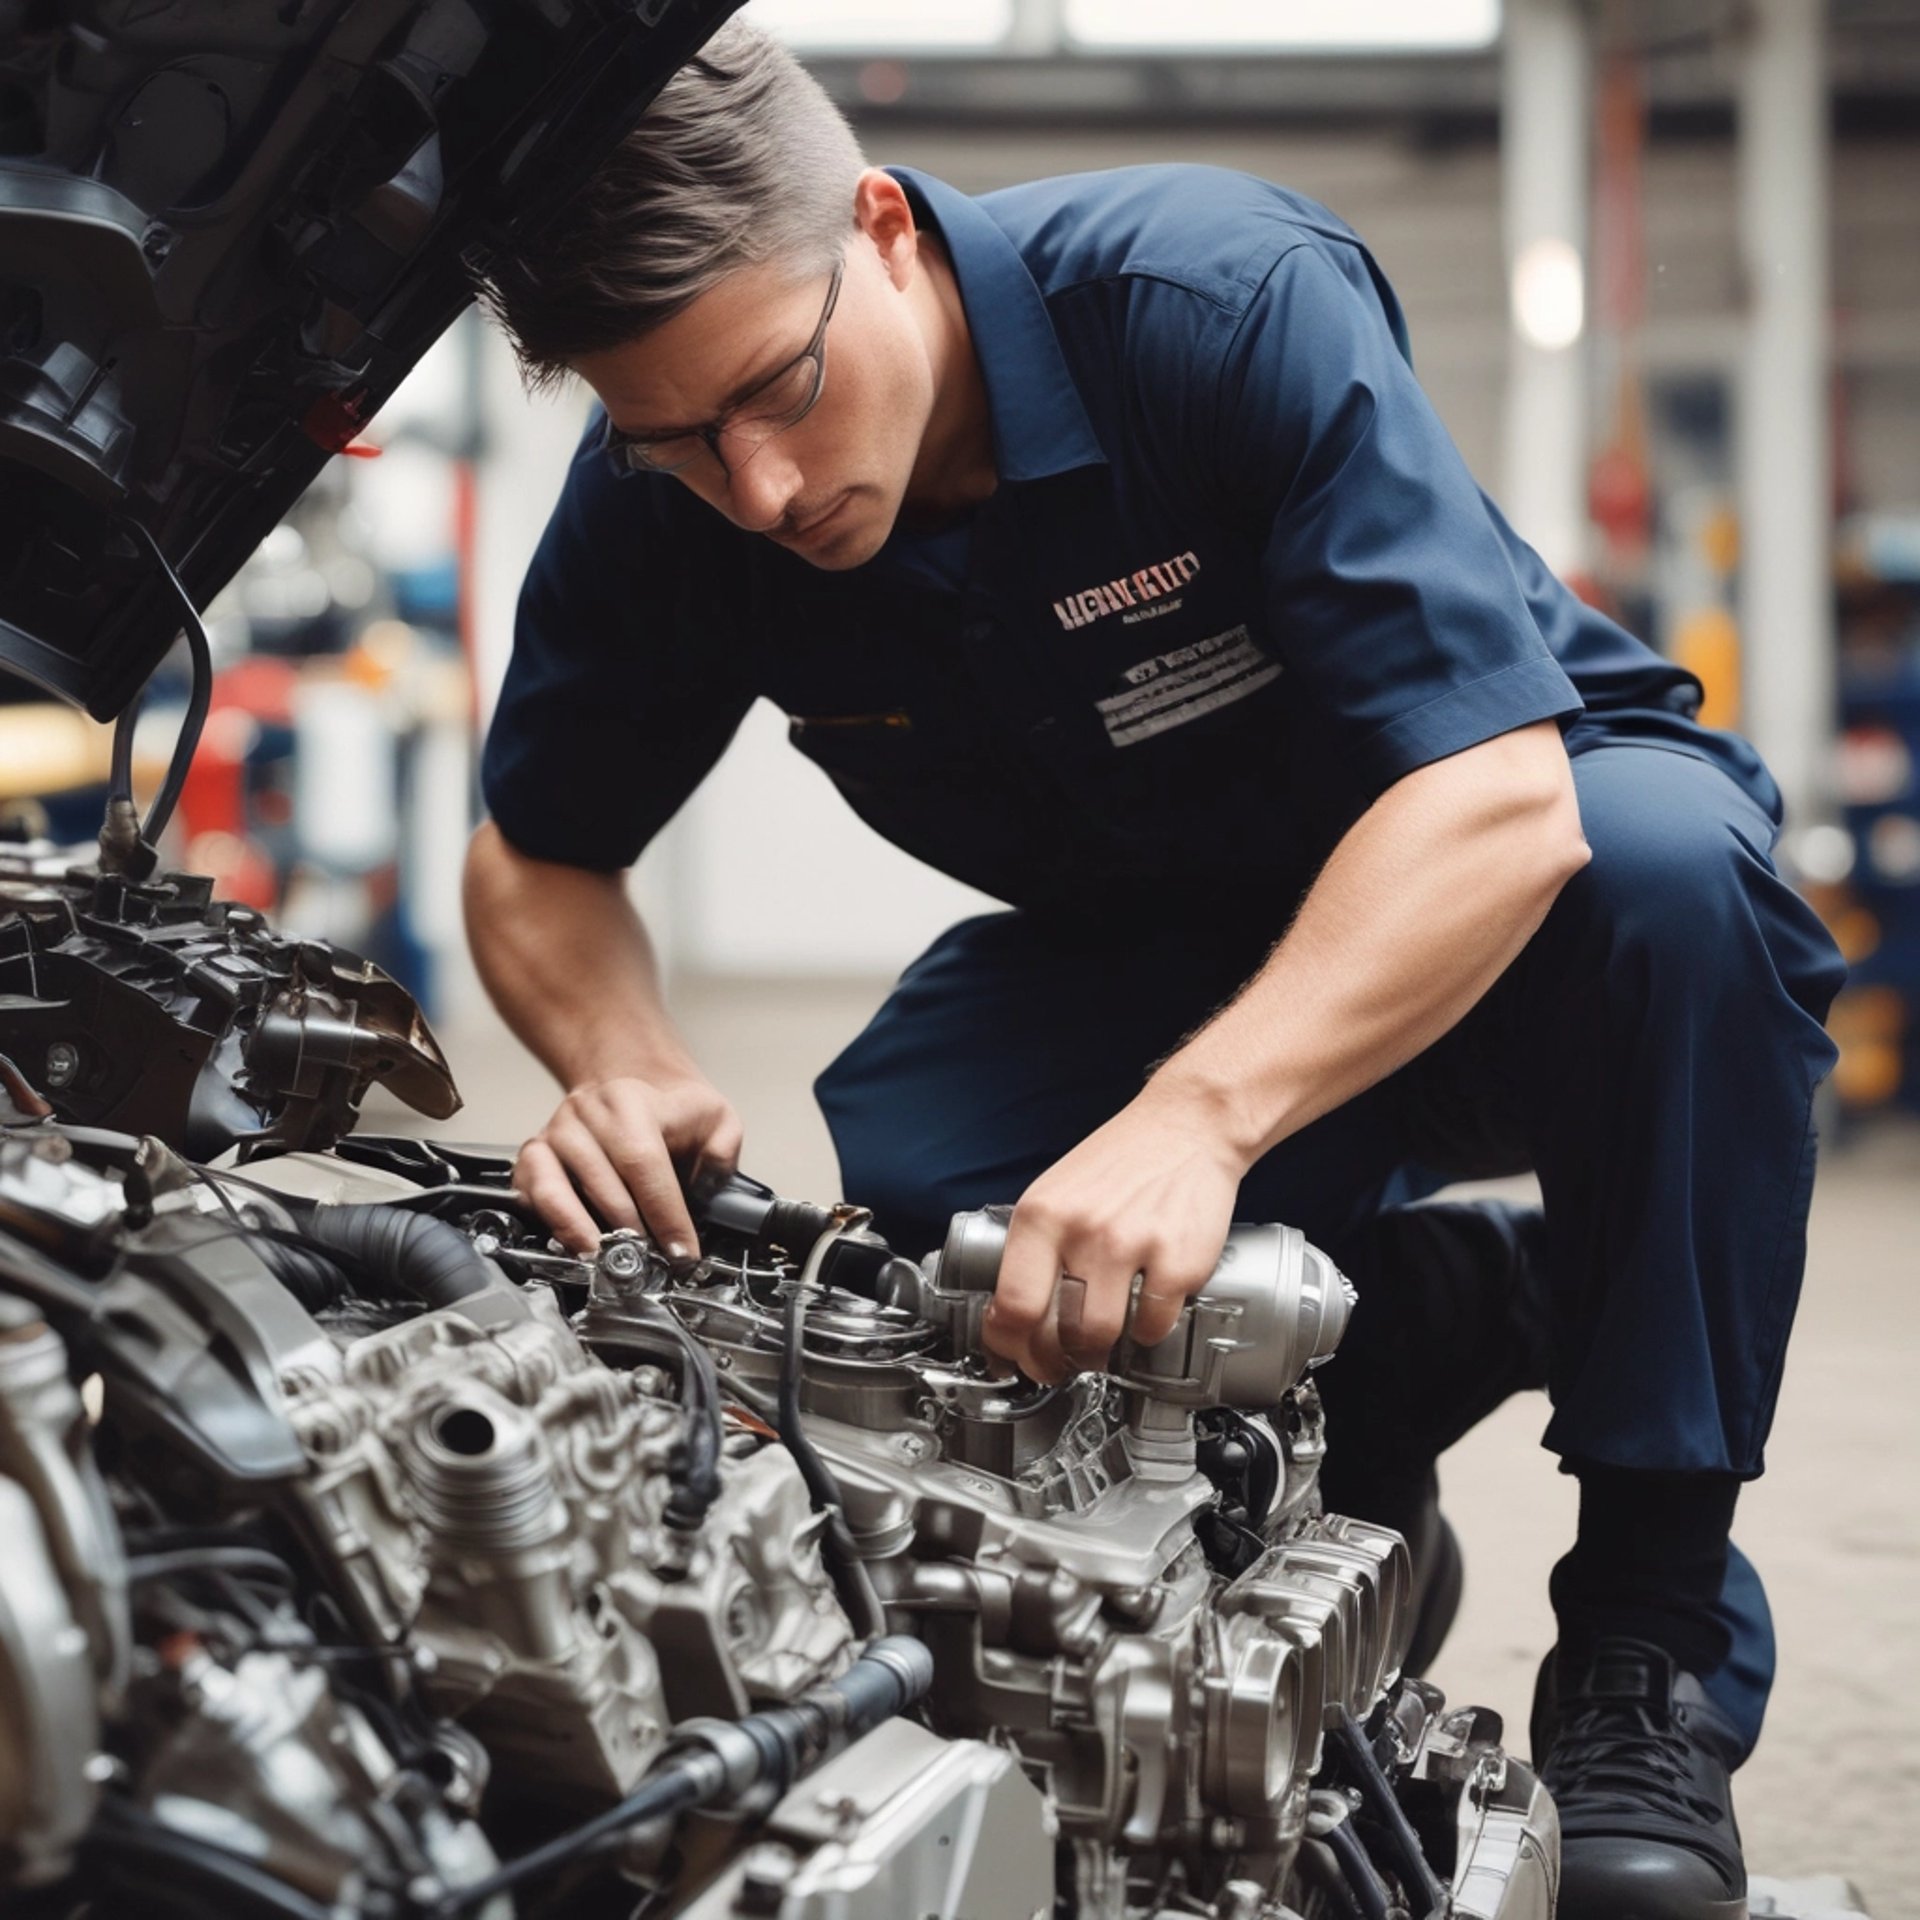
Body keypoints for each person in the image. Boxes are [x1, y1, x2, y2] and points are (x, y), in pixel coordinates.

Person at [465, 23, 1844, 1918]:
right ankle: (1396, 1357)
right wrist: (616, 1055)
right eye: (682, 440)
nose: (763, 488)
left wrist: (1200, 1120)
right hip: (1169, 942)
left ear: (880, 228)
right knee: (928, 1161)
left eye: (779, 391)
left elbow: (1505, 808)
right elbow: (538, 854)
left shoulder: (1209, 300)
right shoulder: (670, 503)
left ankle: (1648, 1659)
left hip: (1509, 886)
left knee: (1679, 882)